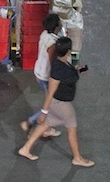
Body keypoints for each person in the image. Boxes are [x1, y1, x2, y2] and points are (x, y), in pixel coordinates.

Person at [18, 36, 94, 167]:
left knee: (44, 125)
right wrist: (43, 112)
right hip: (61, 105)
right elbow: (51, 93)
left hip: (57, 104)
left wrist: (78, 70)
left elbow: (68, 73)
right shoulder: (58, 70)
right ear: (69, 50)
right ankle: (77, 158)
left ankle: (25, 149)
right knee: (71, 129)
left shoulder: (61, 62)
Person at [20, 14, 64, 138]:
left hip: (38, 72)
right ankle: (29, 123)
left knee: (49, 103)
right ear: (56, 27)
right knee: (50, 105)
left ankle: (47, 128)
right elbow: (52, 62)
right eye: (59, 23)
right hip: (46, 76)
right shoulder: (53, 44)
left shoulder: (44, 34)